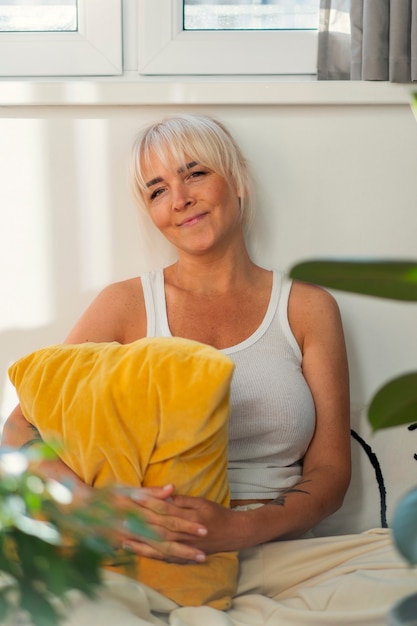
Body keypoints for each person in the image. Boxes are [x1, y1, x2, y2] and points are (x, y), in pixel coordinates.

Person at [2, 114, 417, 625]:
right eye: (157, 190)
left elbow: (331, 472)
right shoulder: (125, 305)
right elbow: (19, 428)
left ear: (236, 179)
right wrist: (97, 511)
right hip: (145, 555)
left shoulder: (308, 308)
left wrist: (239, 530)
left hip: (280, 551)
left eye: (194, 173)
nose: (179, 199)